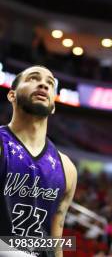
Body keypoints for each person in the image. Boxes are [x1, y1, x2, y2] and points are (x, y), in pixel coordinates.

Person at [0, 66, 77, 257]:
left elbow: (55, 241)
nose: (43, 84)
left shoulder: (67, 168)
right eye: (33, 79)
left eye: (50, 83)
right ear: (12, 96)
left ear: (53, 106)